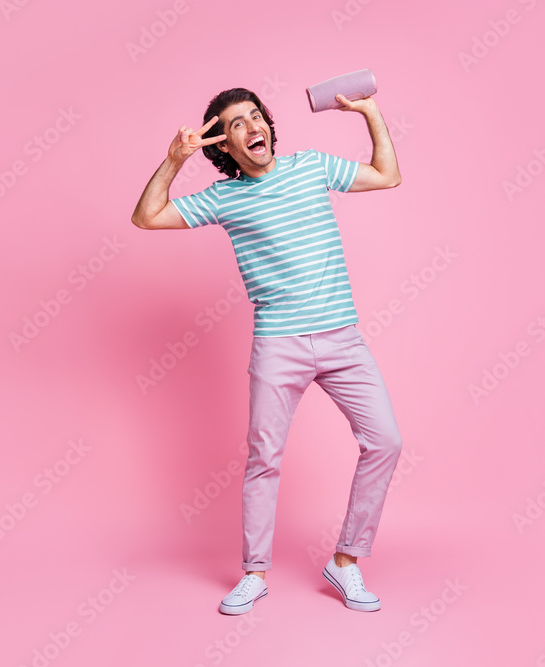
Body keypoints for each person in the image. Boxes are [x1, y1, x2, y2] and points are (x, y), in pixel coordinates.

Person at [131, 85, 403, 614]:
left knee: (385, 440)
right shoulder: (223, 197)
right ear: (225, 146)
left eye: (255, 116)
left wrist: (369, 112)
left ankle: (346, 560)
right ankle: (254, 573)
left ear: (267, 127)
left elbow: (386, 175)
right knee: (264, 459)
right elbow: (148, 217)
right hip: (278, 343)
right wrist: (172, 161)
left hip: (342, 338)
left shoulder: (312, 167)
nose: (251, 126)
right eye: (236, 124)